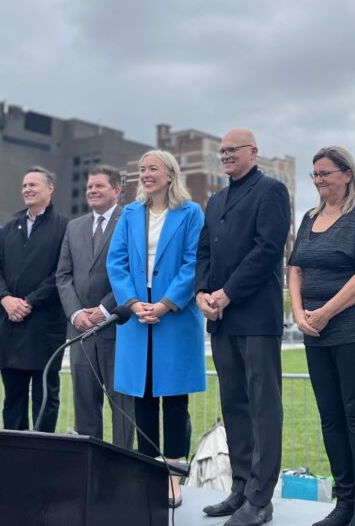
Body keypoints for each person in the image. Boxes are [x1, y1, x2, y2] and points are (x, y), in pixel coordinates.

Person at [196, 129, 291, 526]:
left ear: (254, 152)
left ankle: (261, 498)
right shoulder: (216, 199)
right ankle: (240, 488)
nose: (225, 156)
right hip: (221, 320)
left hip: (255, 317)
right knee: (234, 405)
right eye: (221, 151)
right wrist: (203, 293)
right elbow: (204, 251)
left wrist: (227, 294)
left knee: (262, 408)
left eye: (232, 149)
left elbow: (268, 249)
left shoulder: (271, 191)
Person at [288, 146, 355, 526]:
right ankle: (343, 502)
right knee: (330, 417)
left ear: (347, 174)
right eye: (315, 174)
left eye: (325, 173)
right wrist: (299, 313)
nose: (319, 180)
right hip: (315, 330)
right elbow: (295, 268)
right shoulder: (310, 218)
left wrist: (327, 312)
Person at [107, 150, 206, 509]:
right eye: (142, 169)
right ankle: (148, 472)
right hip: (137, 312)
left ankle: (173, 477)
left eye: (153, 169)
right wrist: (133, 303)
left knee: (175, 398)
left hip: (174, 313)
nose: (145, 174)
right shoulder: (130, 214)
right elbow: (116, 261)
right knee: (143, 395)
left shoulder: (190, 212)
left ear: (170, 175)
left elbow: (194, 261)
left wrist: (165, 303)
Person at [55, 164, 135, 446]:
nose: (92, 190)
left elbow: (132, 271)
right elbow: (63, 275)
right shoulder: (74, 227)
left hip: (116, 328)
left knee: (123, 406)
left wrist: (104, 309)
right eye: (89, 187)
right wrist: (76, 313)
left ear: (116, 190)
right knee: (85, 406)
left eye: (99, 186)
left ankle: (122, 468)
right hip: (80, 332)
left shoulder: (130, 221)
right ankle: (91, 470)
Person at [0, 166, 69, 432]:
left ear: (49, 189)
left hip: (43, 327)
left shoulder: (64, 227)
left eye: (33, 185)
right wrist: (5, 299)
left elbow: (62, 273)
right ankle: (15, 455)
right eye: (24, 186)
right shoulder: (10, 228)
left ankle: (42, 456)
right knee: (13, 399)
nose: (27, 190)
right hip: (9, 325)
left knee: (45, 397)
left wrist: (29, 302)